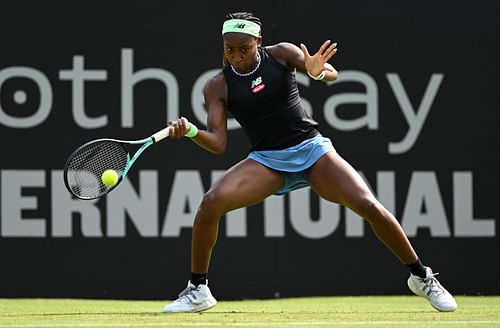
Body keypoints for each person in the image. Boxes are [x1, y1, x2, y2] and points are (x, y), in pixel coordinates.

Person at [161, 11, 457, 313]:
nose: (236, 56)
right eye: (229, 49)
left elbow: (330, 73)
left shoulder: (282, 55)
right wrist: (192, 131)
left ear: (259, 42)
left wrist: (317, 71)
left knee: (369, 206)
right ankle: (198, 289)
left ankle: (422, 277)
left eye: (244, 48)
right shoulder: (217, 86)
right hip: (267, 161)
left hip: (311, 151)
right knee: (211, 202)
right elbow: (219, 143)